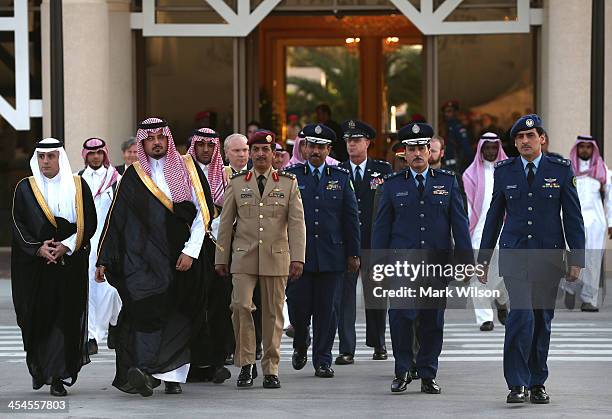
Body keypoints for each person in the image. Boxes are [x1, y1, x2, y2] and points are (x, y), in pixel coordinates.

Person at [477, 114, 585, 404]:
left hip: (548, 257)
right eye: (519, 138)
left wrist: (577, 259)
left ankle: (537, 381)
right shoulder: (505, 171)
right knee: (521, 316)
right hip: (515, 255)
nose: (524, 141)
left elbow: (573, 217)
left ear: (542, 139)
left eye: (530, 136)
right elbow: (494, 215)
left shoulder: (560, 169)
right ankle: (517, 383)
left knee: (541, 320)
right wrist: (483, 258)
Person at [96, 117, 207, 397]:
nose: (156, 142)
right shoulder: (134, 175)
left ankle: (173, 376)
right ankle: (144, 370)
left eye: (161, 137)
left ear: (168, 139)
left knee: (178, 313)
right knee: (145, 312)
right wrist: (105, 258)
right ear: (142, 142)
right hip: (143, 262)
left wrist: (190, 251)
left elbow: (201, 216)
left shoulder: (187, 168)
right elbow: (117, 218)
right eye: (150, 138)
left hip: (179, 257)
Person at [372, 122, 472, 395]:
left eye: (421, 148)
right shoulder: (392, 186)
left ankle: (428, 373)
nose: (417, 153)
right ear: (404, 153)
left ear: (430, 151)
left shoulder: (447, 182)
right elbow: (381, 228)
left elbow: (460, 225)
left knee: (432, 321)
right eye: (411, 148)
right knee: (401, 317)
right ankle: (403, 370)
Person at [214, 129, 306, 389]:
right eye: (255, 150)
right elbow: (226, 223)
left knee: (273, 315)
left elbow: (297, 223)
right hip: (243, 257)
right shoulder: (238, 182)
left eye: (266, 150)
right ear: (250, 154)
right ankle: (245, 364)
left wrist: (298, 257)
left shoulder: (288, 183)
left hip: (276, 256)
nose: (261, 154)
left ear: (274, 154)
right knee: (241, 306)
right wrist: (221, 256)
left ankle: (271, 368)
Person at [12, 137, 97, 397]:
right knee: (40, 319)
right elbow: (17, 225)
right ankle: (44, 369)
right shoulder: (25, 187)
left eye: (51, 156)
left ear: (60, 157)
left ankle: (58, 374)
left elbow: (89, 223)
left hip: (69, 264)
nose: (46, 161)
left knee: (66, 318)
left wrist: (66, 246)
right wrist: (38, 248)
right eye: (41, 157)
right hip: (36, 267)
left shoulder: (78, 185)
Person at [285, 123, 360, 378]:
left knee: (327, 311)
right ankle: (300, 342)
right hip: (299, 257)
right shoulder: (291, 176)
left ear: (328, 149)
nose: (315, 151)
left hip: (332, 256)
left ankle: (323, 360)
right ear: (304, 148)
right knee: (298, 307)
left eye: (320, 147)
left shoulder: (340, 177)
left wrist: (353, 254)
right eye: (311, 146)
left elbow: (350, 218)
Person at [336, 120, 391, 364]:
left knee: (376, 296)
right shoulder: (338, 171)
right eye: (348, 140)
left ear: (367, 143)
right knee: (344, 299)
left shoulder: (383, 170)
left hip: (374, 242)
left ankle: (378, 342)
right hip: (346, 244)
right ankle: (347, 348)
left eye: (356, 140)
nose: (351, 145)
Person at [183, 128, 232, 384]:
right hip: (191, 249)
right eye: (199, 145)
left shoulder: (224, 175)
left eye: (209, 145)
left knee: (218, 306)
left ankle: (217, 362)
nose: (205, 149)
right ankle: (191, 365)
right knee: (192, 306)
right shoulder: (181, 172)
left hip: (219, 249)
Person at [221, 132, 263, 363]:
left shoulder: (258, 176)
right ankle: (230, 346)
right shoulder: (219, 177)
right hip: (227, 249)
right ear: (226, 153)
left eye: (245, 150)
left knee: (256, 301)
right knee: (232, 302)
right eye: (237, 151)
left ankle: (254, 345)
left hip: (255, 249)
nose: (242, 155)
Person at [78, 138, 122, 355]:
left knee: (110, 290)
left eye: (99, 153)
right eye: (91, 153)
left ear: (105, 154)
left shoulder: (116, 180)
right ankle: (92, 336)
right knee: (88, 289)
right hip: (85, 243)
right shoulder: (76, 180)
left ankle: (114, 323)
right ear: (85, 155)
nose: (96, 157)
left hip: (110, 241)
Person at [462, 133, 509, 331]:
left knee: (503, 274)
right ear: (480, 150)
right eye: (486, 148)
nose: (490, 151)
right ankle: (484, 318)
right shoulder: (469, 175)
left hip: (505, 230)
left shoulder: (509, 171)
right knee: (478, 275)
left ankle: (501, 299)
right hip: (478, 231)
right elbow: (466, 208)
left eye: (493, 147)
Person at [562, 136, 610, 312]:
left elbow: (610, 199)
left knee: (593, 260)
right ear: (577, 148)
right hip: (573, 222)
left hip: (596, 223)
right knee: (572, 258)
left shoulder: (602, 170)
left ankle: (588, 299)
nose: (584, 150)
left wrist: (611, 223)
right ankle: (569, 288)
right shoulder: (568, 169)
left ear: (593, 149)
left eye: (588, 147)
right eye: (581, 147)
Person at [441, 100, 473, 171]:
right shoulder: (445, 128)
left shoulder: (458, 128)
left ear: (455, 113)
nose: (446, 114)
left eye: (449, 111)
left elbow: (466, 148)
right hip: (446, 166)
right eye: (445, 112)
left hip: (457, 167)